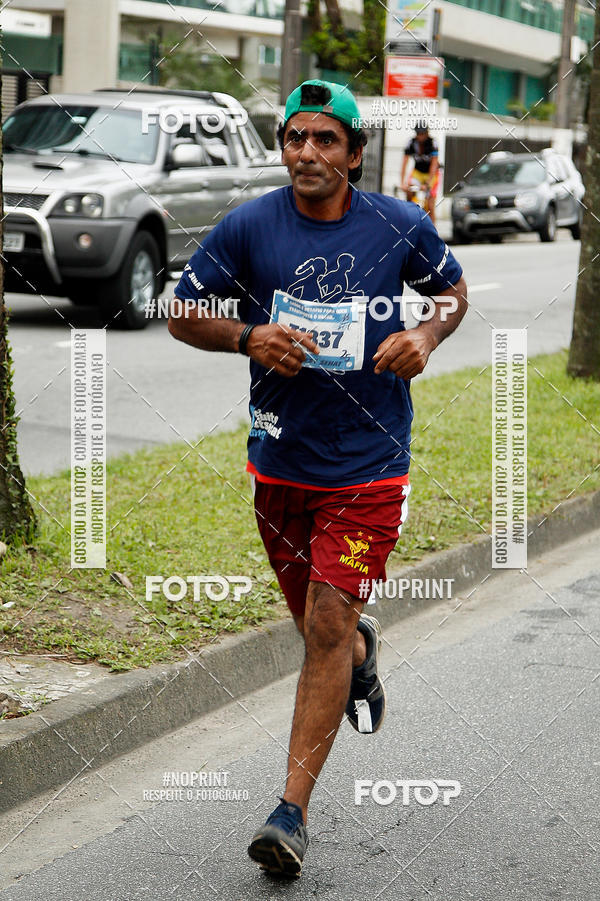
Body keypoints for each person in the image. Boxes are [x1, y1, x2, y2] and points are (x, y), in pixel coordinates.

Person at [169, 79, 468, 878]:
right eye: (296, 138)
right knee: (317, 623)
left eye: (325, 140)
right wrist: (246, 337)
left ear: (355, 155)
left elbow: (451, 293)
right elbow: (180, 308)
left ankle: (290, 813)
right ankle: (360, 647)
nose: (308, 152)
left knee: (326, 620)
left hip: (369, 463)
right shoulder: (248, 226)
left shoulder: (398, 223)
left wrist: (426, 338)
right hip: (280, 459)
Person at [401, 121, 440, 225]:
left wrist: (427, 184)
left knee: (430, 205)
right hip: (418, 172)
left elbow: (434, 164)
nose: (420, 137)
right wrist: (403, 183)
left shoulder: (433, 143)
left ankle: (433, 233)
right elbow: (404, 163)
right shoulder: (411, 143)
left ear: (427, 133)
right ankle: (410, 219)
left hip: (432, 174)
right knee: (409, 190)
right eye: (418, 134)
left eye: (422, 134)